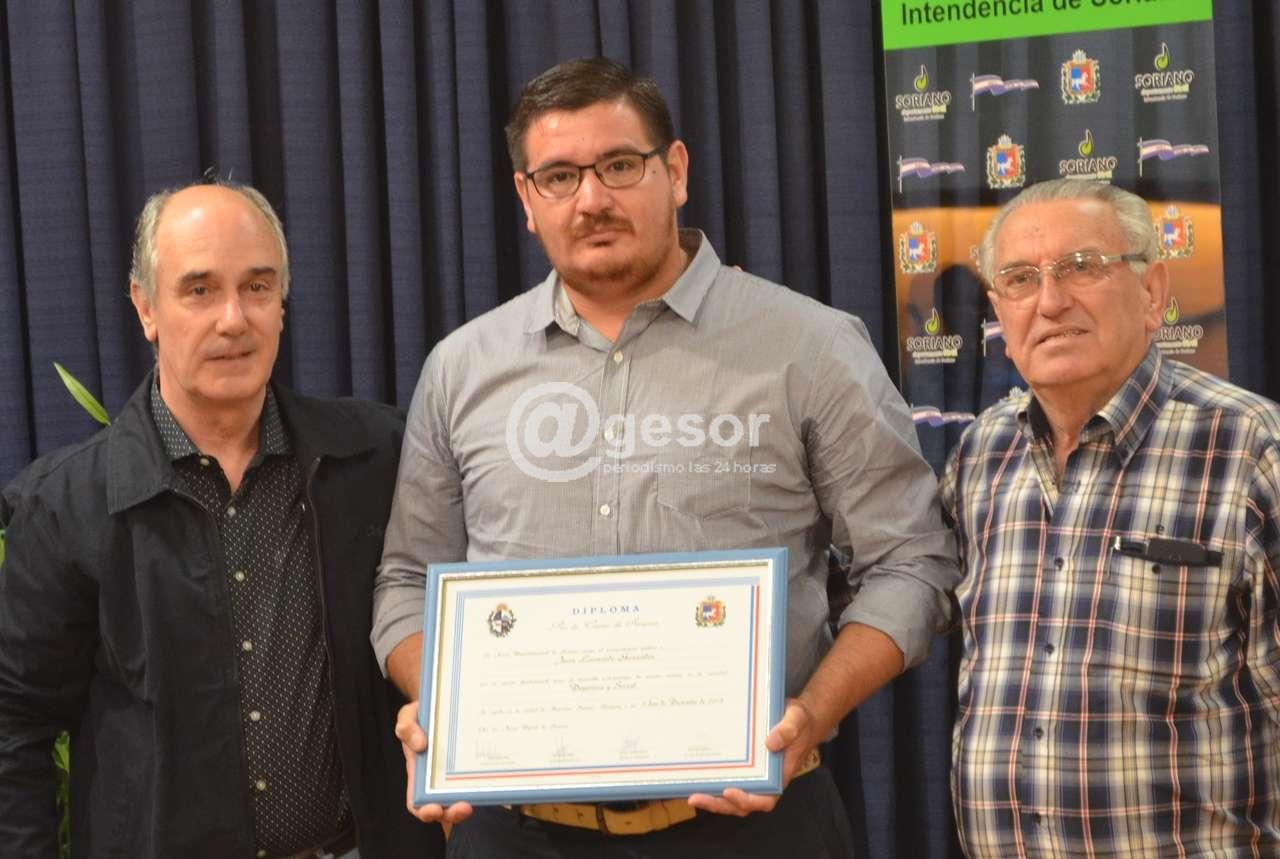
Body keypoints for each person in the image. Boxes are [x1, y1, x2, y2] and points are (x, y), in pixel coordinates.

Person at [372, 56, 959, 857]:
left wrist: (811, 714)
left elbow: (912, 562)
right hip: (516, 835)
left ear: (675, 170)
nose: (591, 200)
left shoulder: (810, 347)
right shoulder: (461, 368)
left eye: (619, 165)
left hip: (753, 828)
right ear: (526, 198)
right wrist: (447, 704)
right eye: (559, 177)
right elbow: (406, 582)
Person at [0, 180, 444, 858]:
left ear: (282, 303)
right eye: (200, 290)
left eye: (257, 287)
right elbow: (15, 726)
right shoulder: (66, 506)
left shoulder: (374, 456)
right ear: (145, 307)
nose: (233, 319)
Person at [942, 178, 1280, 856]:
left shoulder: (1250, 451)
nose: (1050, 301)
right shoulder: (981, 455)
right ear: (999, 312)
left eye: (1081, 267)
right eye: (1020, 279)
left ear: (1152, 292)